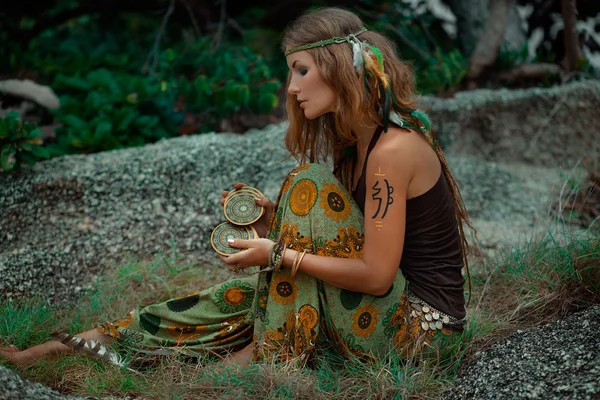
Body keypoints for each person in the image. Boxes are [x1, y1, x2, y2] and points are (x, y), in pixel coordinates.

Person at [0, 7, 475, 368]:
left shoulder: (393, 150)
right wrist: (275, 221)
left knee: (305, 187)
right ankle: (49, 353)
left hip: (421, 332)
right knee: (230, 299)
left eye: (302, 70)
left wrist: (277, 254)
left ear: (338, 66)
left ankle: (254, 359)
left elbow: (374, 274)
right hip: (375, 311)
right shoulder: (356, 141)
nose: (291, 87)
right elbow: (349, 241)